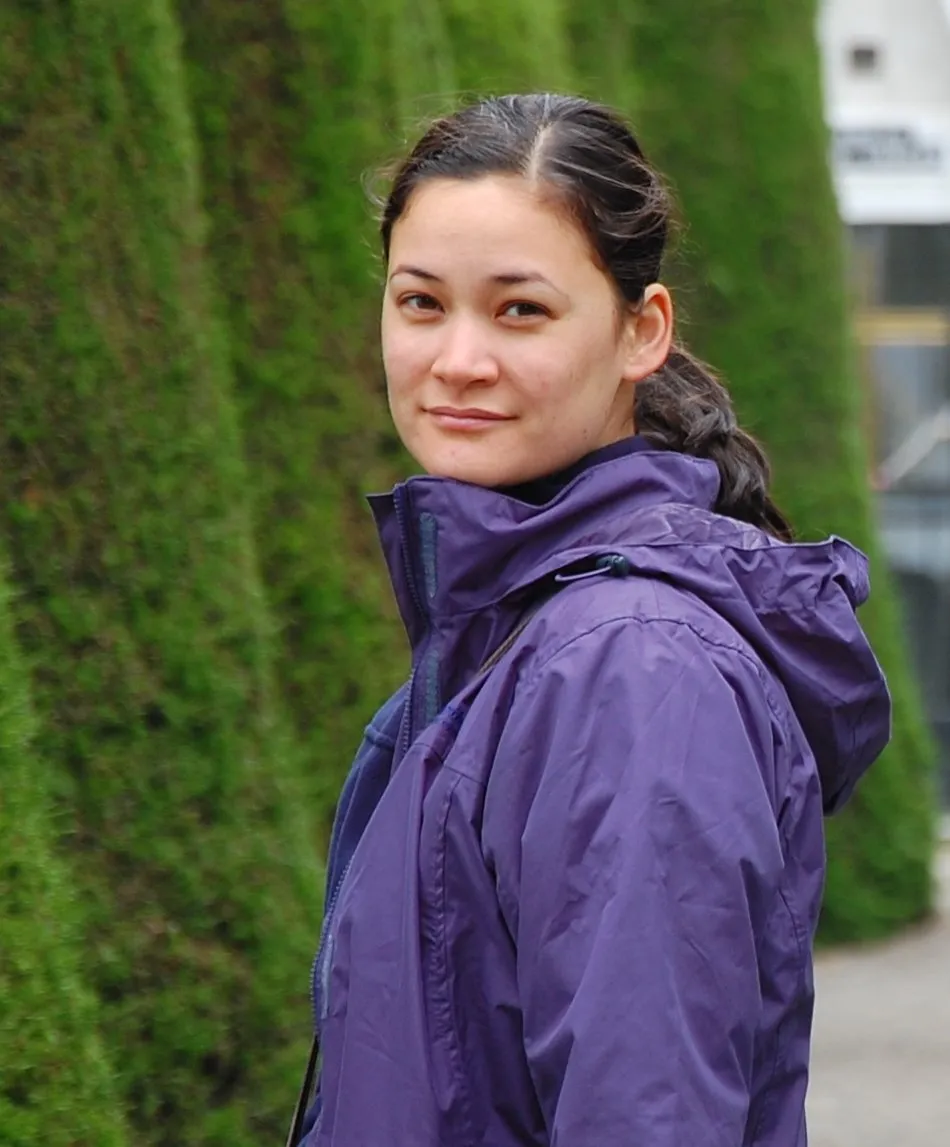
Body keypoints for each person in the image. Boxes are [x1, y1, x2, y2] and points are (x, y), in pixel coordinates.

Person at [294, 93, 891, 1147]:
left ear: (638, 332)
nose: (457, 359)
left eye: (519, 309)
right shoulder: (517, 628)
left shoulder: (628, 666)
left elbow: (646, 1112)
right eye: (420, 302)